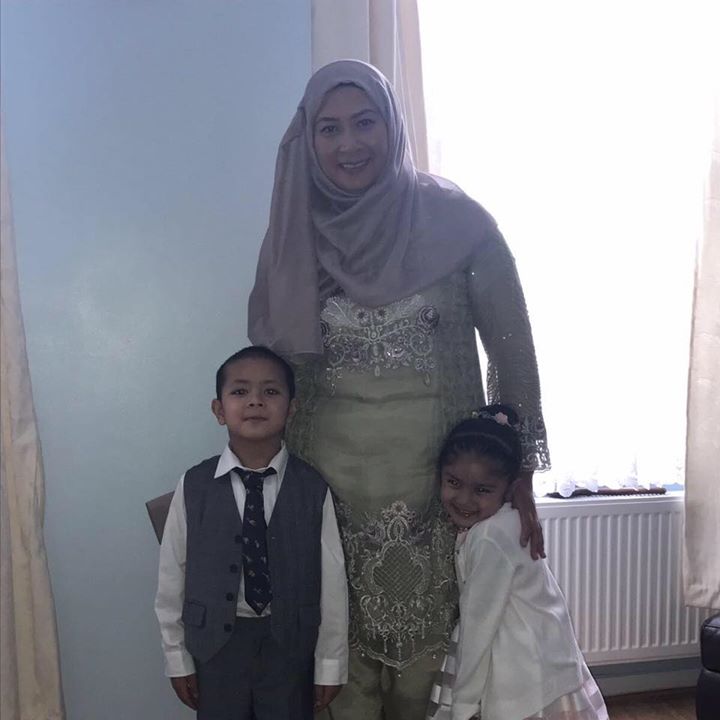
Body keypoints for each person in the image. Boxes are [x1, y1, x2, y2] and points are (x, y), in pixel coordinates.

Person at [248, 60, 550, 719]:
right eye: (329, 128)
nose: (349, 144)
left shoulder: (459, 224)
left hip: (442, 498)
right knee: (339, 678)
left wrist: (518, 470)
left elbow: (512, 352)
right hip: (328, 501)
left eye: (365, 122)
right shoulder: (292, 237)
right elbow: (271, 379)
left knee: (432, 678)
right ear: (308, 139)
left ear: (393, 124)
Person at [154, 346, 349, 719]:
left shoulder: (312, 487)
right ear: (219, 410)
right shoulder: (194, 485)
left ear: (291, 408)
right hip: (215, 649)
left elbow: (333, 582)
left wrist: (330, 664)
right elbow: (171, 577)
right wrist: (176, 658)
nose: (255, 401)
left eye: (270, 391)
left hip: (290, 649)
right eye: (240, 391)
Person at [427, 405, 608, 720]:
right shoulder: (504, 521)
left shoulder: (491, 536)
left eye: (482, 490)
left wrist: (463, 707)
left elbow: (479, 626)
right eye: (453, 482)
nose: (465, 499)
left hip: (521, 668)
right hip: (540, 656)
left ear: (509, 488)